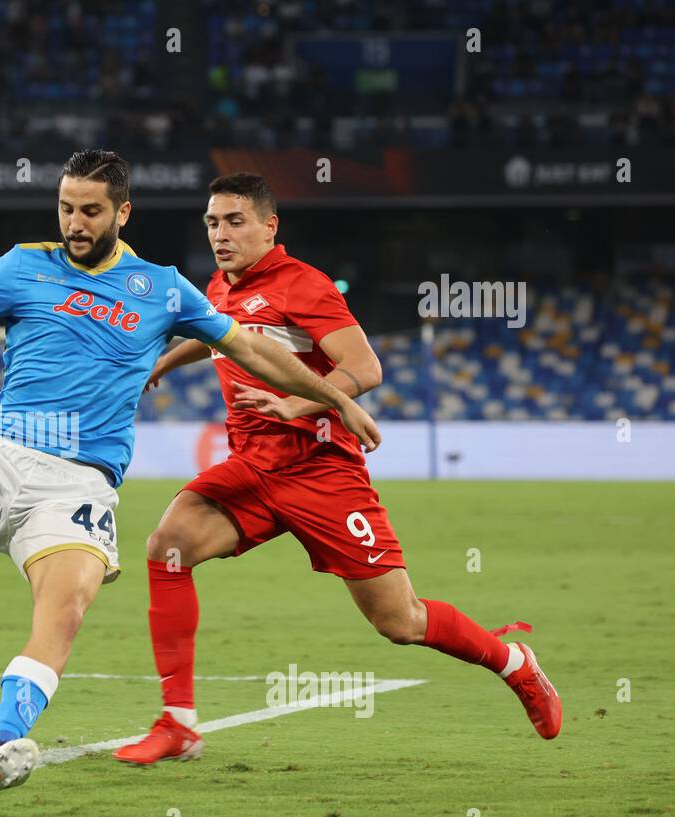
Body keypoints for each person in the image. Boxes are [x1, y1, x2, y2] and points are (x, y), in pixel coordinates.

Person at [0, 150, 381, 802]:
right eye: (66, 208)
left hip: (78, 484)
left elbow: (252, 348)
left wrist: (336, 396)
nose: (75, 222)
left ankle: (0, 746)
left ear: (121, 212)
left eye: (90, 210)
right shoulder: (20, 266)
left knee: (62, 611)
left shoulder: (164, 288)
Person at [113, 172, 561, 767]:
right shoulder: (220, 287)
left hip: (322, 474)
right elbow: (223, 330)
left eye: (235, 221)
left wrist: (298, 402)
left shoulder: (305, 285)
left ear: (270, 226)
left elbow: (365, 368)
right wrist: (165, 362)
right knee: (168, 545)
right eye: (213, 223)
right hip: (252, 471)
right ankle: (178, 723)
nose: (221, 234)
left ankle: (515, 664)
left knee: (400, 622)